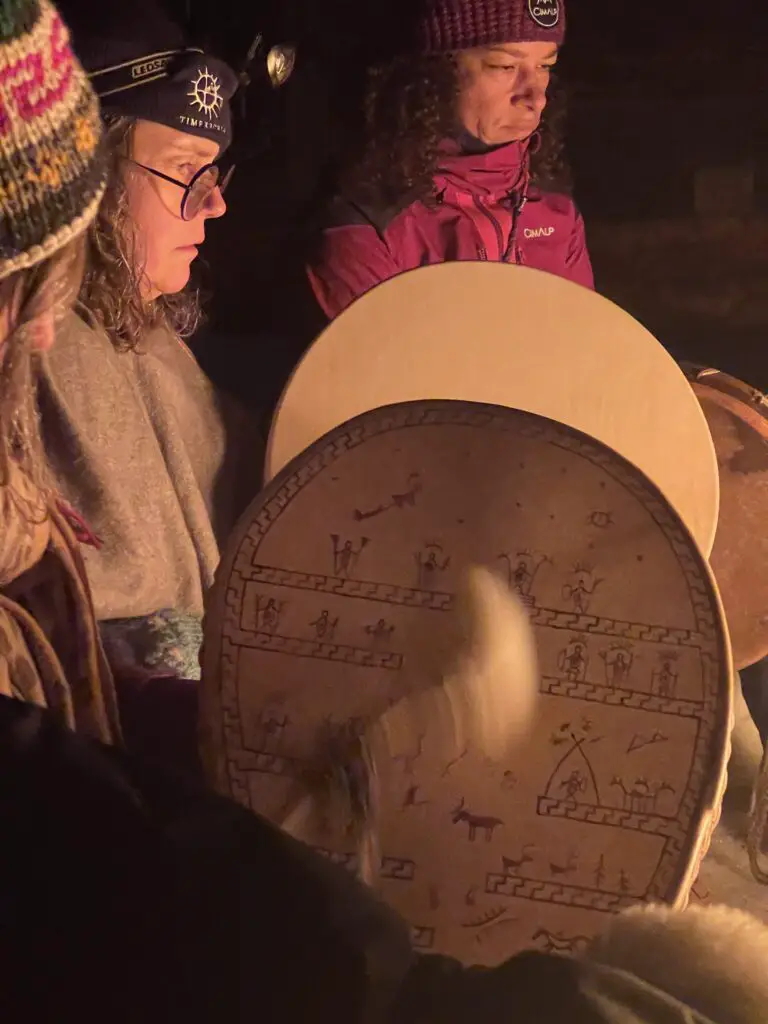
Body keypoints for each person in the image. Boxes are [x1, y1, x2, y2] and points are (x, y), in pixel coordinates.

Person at [34, 0, 264, 769]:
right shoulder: (26, 351)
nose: (214, 201)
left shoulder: (162, 347)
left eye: (214, 171)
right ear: (86, 172)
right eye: (178, 170)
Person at [305, 0, 594, 323]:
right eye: (504, 67)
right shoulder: (369, 224)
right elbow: (387, 367)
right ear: (438, 72)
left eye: (545, 66)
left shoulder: (555, 210)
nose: (536, 96)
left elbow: (582, 354)